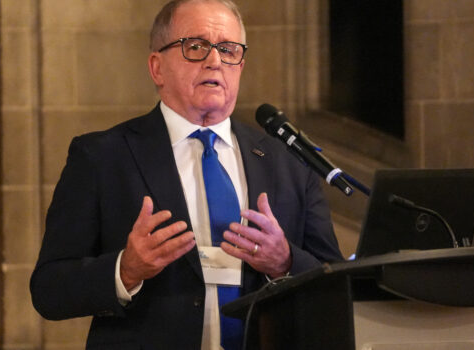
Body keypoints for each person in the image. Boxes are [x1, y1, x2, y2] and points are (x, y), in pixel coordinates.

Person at [30, 0, 343, 349]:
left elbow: (338, 283)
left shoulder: (287, 162)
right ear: (156, 67)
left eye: (228, 49)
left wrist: (285, 263)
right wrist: (125, 270)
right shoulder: (102, 157)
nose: (214, 61)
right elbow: (49, 290)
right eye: (195, 47)